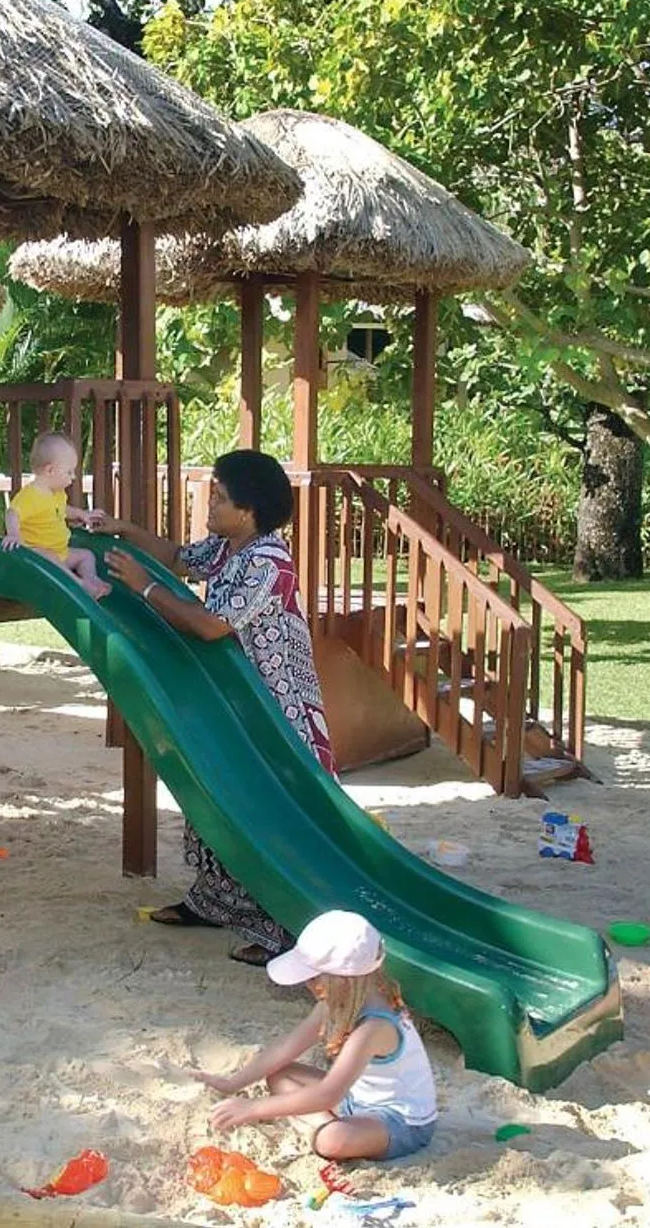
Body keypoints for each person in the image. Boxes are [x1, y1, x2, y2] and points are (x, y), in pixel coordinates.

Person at [90, 448, 332, 966]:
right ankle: (216, 901)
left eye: (220, 496)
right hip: (237, 700)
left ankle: (285, 925)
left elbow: (211, 624)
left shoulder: (267, 561)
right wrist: (121, 528)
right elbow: (178, 556)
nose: (211, 501)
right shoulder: (228, 548)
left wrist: (144, 585)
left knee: (269, 810)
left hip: (277, 708)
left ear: (247, 512)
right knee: (215, 789)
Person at [191, 911, 438, 1162]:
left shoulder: (374, 1027)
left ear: (340, 981)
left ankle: (326, 1127)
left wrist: (252, 1108)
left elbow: (328, 1094)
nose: (307, 985)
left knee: (332, 1141)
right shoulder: (337, 1003)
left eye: (311, 979)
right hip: (355, 1098)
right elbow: (286, 1048)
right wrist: (232, 1083)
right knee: (280, 1074)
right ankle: (325, 1123)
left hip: (400, 1121)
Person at [2, 431, 109, 598]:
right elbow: (12, 512)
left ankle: (91, 579)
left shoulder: (56, 493)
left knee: (86, 555)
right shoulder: (31, 495)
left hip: (62, 554)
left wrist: (82, 514)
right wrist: (14, 534)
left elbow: (63, 509)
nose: (73, 477)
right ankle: (80, 585)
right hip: (37, 558)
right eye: (69, 472)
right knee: (50, 556)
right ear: (50, 470)